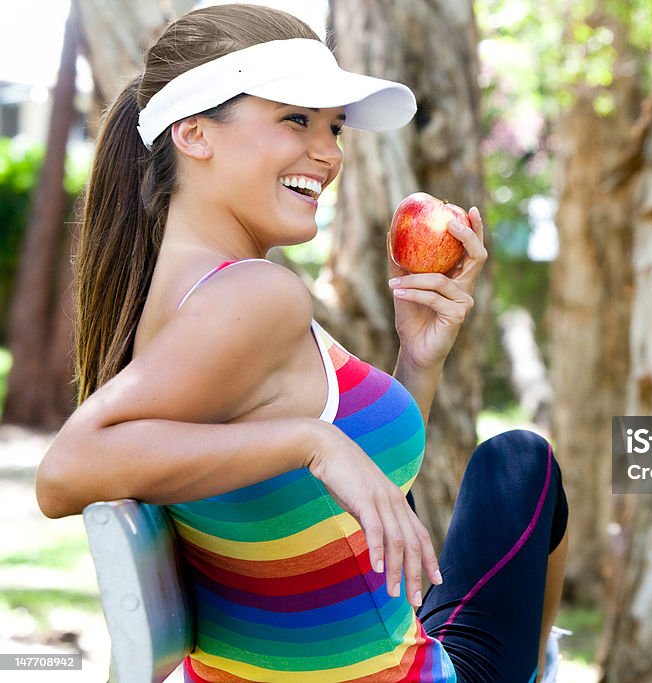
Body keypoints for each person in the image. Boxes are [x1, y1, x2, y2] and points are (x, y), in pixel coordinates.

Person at [34, 4, 569, 682]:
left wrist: (417, 358)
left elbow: (332, 509)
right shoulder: (256, 295)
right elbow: (63, 473)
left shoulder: (175, 295)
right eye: (296, 119)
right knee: (523, 462)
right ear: (193, 134)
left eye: (335, 128)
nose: (330, 152)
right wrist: (312, 442)